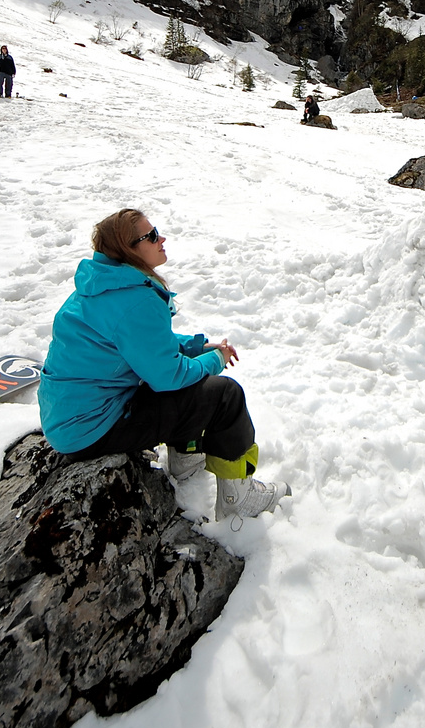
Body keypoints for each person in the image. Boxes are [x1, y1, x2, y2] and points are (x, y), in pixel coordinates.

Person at [38, 209, 290, 521]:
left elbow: (142, 345)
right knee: (224, 395)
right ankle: (238, 497)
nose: (162, 239)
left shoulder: (102, 286)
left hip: (72, 420)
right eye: (152, 236)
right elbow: (168, 375)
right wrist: (216, 359)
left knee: (185, 372)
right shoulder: (134, 301)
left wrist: (196, 346)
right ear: (129, 249)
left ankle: (185, 460)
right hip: (93, 430)